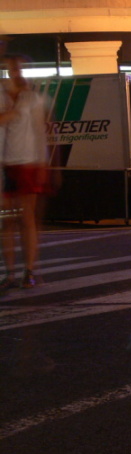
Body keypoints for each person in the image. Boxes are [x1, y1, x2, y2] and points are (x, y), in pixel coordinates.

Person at [0, 54, 50, 290]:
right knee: (6, 221)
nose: (15, 73)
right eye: (11, 69)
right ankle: (9, 273)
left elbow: (40, 131)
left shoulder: (31, 98)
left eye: (18, 69)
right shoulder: (2, 97)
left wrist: (42, 163)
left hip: (28, 163)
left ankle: (28, 270)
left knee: (26, 217)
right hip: (5, 163)